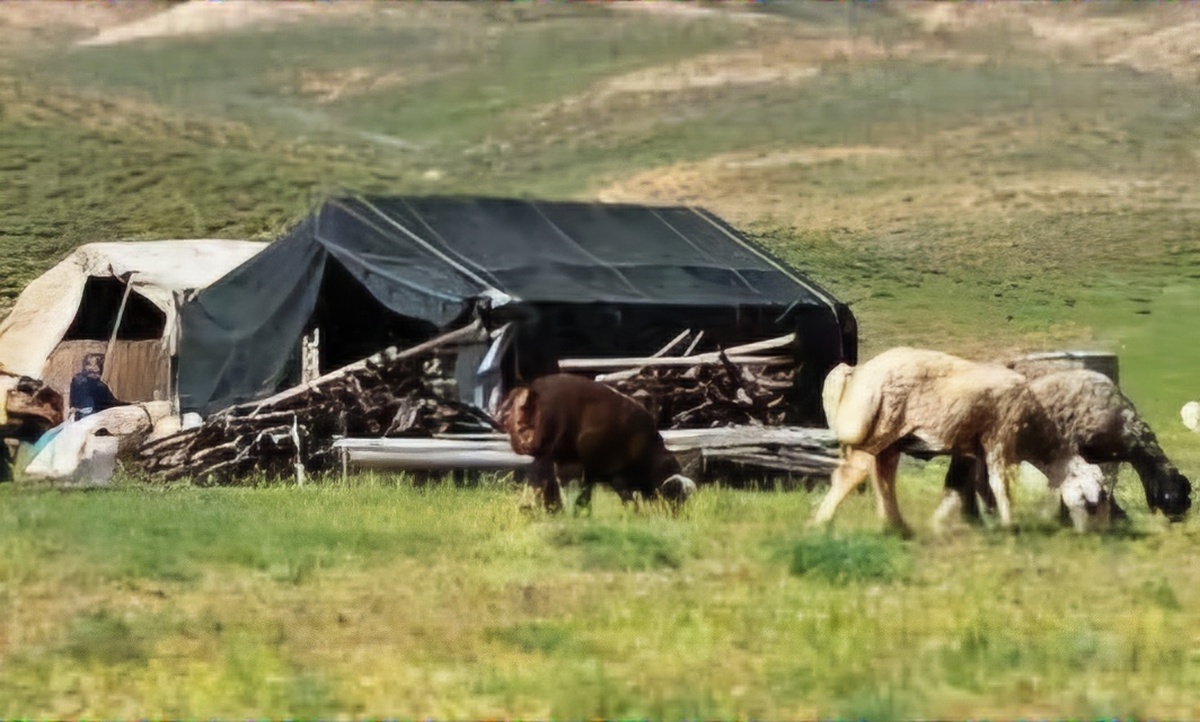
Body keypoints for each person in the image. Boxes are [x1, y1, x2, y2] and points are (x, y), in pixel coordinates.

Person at [69, 353, 126, 420]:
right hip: (89, 419)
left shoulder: (99, 385)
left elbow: (112, 402)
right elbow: (111, 403)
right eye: (88, 364)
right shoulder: (84, 381)